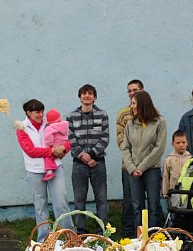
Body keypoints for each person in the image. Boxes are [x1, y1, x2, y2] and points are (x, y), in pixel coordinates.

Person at [16, 99, 74, 242]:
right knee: (40, 207)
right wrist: (52, 151)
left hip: (55, 168)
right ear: (28, 113)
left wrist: (64, 149)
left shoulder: (50, 122)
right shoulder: (21, 128)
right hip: (34, 171)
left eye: (42, 111)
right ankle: (44, 241)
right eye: (37, 112)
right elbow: (30, 151)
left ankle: (69, 238)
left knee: (61, 203)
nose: (41, 115)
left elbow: (65, 139)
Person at [66, 83, 109, 234]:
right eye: (84, 93)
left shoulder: (102, 115)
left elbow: (105, 139)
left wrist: (91, 155)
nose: (87, 95)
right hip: (79, 165)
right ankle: (81, 231)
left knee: (102, 200)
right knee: (79, 200)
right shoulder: (71, 116)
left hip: (98, 163)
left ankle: (102, 231)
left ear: (95, 97)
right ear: (80, 97)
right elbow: (70, 140)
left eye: (90, 93)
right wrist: (83, 157)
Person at [121, 90, 167, 228]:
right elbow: (125, 148)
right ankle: (139, 240)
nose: (132, 106)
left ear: (143, 104)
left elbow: (158, 149)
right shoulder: (130, 124)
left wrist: (141, 168)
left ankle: (154, 239)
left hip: (152, 170)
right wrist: (132, 168)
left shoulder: (160, 122)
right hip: (133, 172)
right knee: (137, 208)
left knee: (153, 207)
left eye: (134, 103)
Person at [116, 79, 144, 237]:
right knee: (129, 201)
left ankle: (149, 233)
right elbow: (121, 139)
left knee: (149, 202)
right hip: (128, 165)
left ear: (142, 91)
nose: (132, 93)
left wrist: (143, 160)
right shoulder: (123, 114)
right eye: (129, 91)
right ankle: (128, 234)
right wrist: (132, 161)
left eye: (135, 90)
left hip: (147, 165)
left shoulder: (152, 113)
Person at [161, 130, 192, 199]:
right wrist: (165, 193)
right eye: (178, 143)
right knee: (174, 208)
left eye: (183, 142)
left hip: (188, 192)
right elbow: (165, 176)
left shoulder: (191, 159)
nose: (181, 145)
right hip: (173, 191)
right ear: (173, 144)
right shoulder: (169, 159)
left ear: (187, 143)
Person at [42, 108, 70, 182]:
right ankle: (58, 164)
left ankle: (49, 172)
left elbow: (48, 138)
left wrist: (49, 145)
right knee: (57, 156)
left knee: (48, 157)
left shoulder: (50, 128)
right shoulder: (65, 125)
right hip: (63, 144)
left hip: (56, 145)